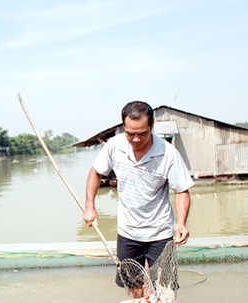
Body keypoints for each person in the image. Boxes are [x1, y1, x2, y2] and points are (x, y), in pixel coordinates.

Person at [82, 101, 194, 289]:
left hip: (160, 233)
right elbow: (95, 172)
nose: (135, 139)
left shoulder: (168, 154)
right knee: (132, 285)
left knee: (165, 288)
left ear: (152, 127)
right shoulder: (114, 146)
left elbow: (181, 189)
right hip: (128, 231)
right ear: (123, 127)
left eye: (142, 133)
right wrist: (90, 205)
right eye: (130, 133)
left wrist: (181, 222)